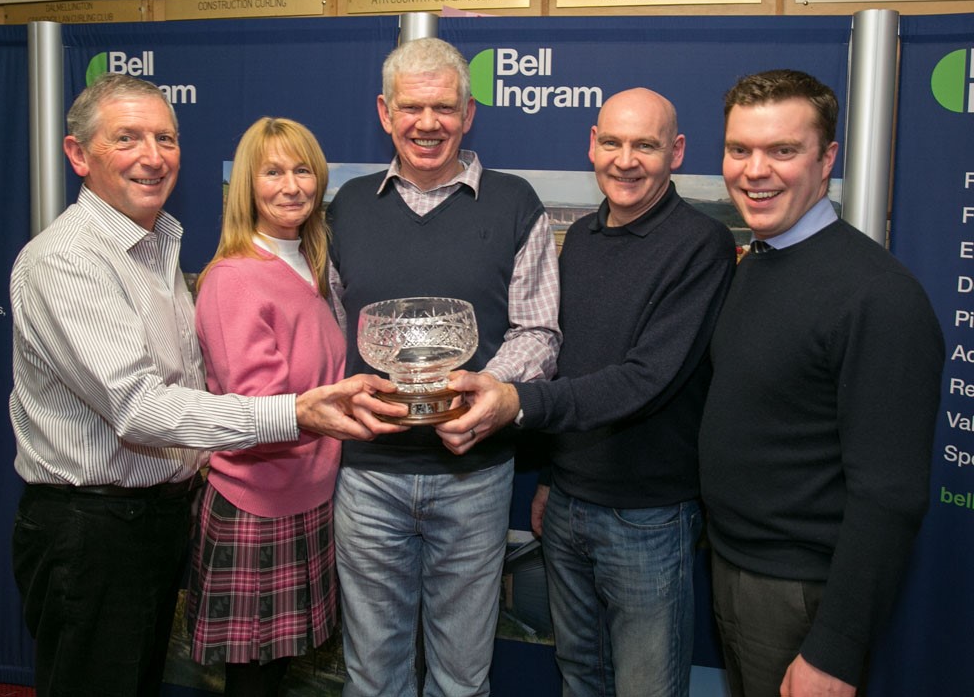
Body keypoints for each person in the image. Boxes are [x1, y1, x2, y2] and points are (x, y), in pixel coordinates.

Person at [9, 74, 404, 697]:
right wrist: (299, 413)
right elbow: (138, 408)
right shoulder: (68, 260)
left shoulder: (155, 248)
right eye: (127, 138)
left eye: (164, 137)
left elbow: (190, 381)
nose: (153, 155)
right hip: (93, 525)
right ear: (79, 155)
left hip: (158, 513)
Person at [438, 88, 736, 696]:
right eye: (613, 142)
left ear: (675, 153)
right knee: (580, 679)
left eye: (645, 146)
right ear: (591, 145)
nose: (626, 160)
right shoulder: (583, 239)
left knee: (646, 688)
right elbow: (570, 361)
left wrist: (516, 401)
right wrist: (550, 476)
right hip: (569, 506)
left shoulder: (700, 245)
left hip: (648, 516)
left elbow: (644, 381)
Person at [325, 37, 561, 697]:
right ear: (384, 112)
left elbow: (538, 331)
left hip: (474, 476)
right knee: (373, 677)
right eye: (411, 107)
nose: (428, 123)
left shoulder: (516, 203)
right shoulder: (345, 208)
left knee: (462, 677)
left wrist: (482, 392)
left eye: (444, 108)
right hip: (367, 476)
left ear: (469, 111)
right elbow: (328, 331)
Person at [698, 69, 945, 697]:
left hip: (800, 597)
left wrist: (834, 652)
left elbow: (888, 495)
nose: (755, 171)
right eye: (739, 149)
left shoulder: (878, 296)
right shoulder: (761, 257)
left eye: (783, 150)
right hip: (735, 567)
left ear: (828, 157)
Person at [188, 117, 383, 695]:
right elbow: (258, 408)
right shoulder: (235, 279)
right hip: (257, 504)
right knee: (255, 683)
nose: (291, 186)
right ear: (248, 184)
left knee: (276, 676)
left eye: (303, 171)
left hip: (308, 495)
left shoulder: (310, 267)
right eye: (272, 172)